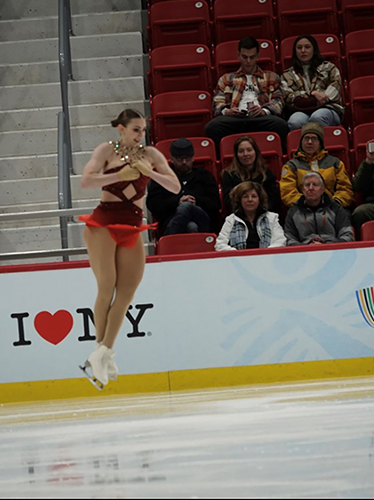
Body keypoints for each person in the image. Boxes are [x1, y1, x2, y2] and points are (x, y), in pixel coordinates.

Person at [78, 109, 180, 388]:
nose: (140, 135)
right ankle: (101, 349)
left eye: (143, 130)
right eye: (135, 129)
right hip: (103, 222)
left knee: (126, 293)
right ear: (121, 129)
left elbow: (174, 187)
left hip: (133, 225)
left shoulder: (151, 155)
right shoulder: (106, 150)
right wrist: (118, 174)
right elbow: (86, 181)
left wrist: (151, 174)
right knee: (107, 286)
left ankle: (102, 354)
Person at [204, 37, 289, 152]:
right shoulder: (226, 78)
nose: (248, 61)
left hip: (261, 118)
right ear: (238, 55)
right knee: (212, 127)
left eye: (252, 57)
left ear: (258, 56)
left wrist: (264, 111)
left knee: (281, 125)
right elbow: (218, 102)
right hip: (235, 119)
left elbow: (279, 100)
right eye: (244, 57)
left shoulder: (272, 77)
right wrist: (227, 111)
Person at [146, 138, 220, 235]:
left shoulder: (204, 176)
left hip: (202, 219)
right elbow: (154, 206)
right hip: (170, 218)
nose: (184, 162)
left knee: (187, 206)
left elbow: (215, 205)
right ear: (172, 159)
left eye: (187, 158)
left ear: (193, 158)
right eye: (180, 159)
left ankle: (170, 239)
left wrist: (195, 200)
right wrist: (177, 201)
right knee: (191, 226)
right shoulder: (162, 178)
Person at [280, 122, 353, 208]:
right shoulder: (291, 166)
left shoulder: (335, 163)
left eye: (314, 139)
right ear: (301, 142)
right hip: (302, 209)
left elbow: (345, 188)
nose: (309, 142)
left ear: (320, 143)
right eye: (306, 138)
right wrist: (307, 203)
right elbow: (288, 192)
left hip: (333, 208)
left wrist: (334, 204)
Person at [281, 35, 344, 131]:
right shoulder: (287, 75)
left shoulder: (329, 68)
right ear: (295, 52)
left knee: (317, 117)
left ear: (314, 50)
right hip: (301, 111)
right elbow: (290, 97)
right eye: (299, 48)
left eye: (307, 47)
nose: (303, 50)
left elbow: (332, 93)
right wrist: (313, 94)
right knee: (294, 121)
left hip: (328, 109)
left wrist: (308, 99)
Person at [285, 172, 354, 245]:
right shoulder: (293, 212)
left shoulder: (336, 209)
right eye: (307, 185)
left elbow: (347, 236)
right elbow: (289, 239)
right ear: (302, 189)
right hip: (304, 253)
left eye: (315, 185)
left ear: (323, 189)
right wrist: (306, 248)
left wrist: (326, 245)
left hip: (333, 251)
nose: (311, 188)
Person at [215, 181, 285, 251]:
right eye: (245, 197)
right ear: (239, 200)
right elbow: (220, 245)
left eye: (254, 196)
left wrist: (264, 254)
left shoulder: (272, 218)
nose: (250, 200)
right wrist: (238, 255)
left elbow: (280, 241)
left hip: (267, 259)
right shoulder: (230, 220)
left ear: (259, 199)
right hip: (238, 260)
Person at [221, 136, 281, 214]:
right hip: (238, 216)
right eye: (241, 151)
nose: (245, 154)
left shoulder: (266, 174)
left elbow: (273, 201)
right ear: (236, 155)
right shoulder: (228, 175)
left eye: (249, 150)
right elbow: (229, 202)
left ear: (255, 152)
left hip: (264, 214)